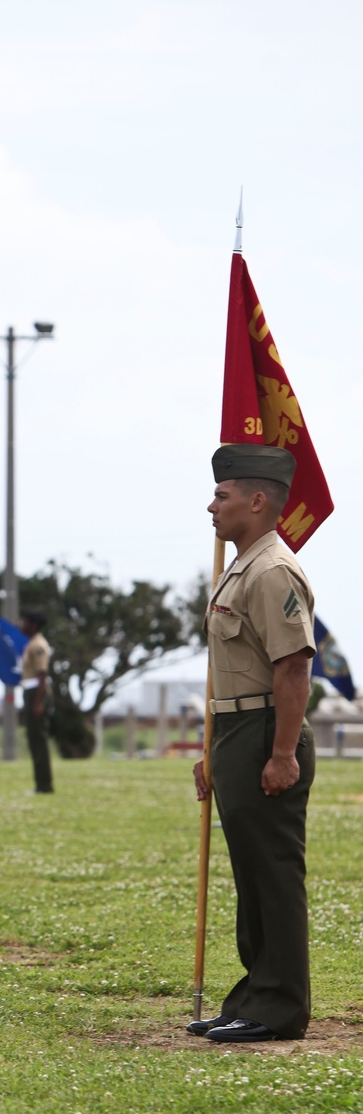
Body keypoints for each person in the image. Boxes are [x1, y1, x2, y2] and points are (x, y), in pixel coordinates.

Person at [189, 443, 316, 1043]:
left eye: (223, 494)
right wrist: (213, 749)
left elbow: (293, 668)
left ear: (258, 500)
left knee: (273, 875)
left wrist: (283, 753)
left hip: (268, 729)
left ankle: (281, 1006)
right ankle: (255, 994)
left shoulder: (271, 572)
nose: (211, 506)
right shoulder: (240, 567)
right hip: (238, 730)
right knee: (251, 876)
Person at [20, 607, 54, 794]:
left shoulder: (38, 645)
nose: (21, 625)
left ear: (33, 625)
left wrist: (38, 703)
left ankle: (44, 785)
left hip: (36, 693)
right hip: (31, 691)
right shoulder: (32, 643)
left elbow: (42, 675)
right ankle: (41, 783)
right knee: (34, 740)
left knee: (38, 740)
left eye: (24, 621)